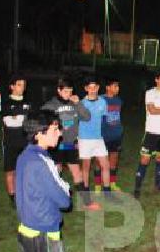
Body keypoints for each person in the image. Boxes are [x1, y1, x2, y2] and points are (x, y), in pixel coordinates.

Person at [16, 111, 76, 252]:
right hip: (44, 235)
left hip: (26, 230)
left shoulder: (25, 155)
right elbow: (63, 200)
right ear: (39, 134)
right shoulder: (42, 161)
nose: (59, 134)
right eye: (54, 129)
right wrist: (66, 189)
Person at [42, 77, 92, 207]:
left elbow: (87, 117)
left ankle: (87, 202)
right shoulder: (51, 105)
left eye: (70, 91)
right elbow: (41, 118)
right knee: (56, 171)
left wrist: (78, 103)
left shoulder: (74, 103)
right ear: (59, 90)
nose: (68, 94)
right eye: (65, 91)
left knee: (76, 171)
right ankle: (51, 199)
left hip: (70, 143)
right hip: (56, 144)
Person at [134, 70, 160, 198]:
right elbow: (151, 110)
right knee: (145, 159)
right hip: (152, 132)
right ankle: (137, 187)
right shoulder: (150, 93)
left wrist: (159, 109)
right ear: (156, 80)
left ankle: (157, 185)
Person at [77, 76, 110, 206]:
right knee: (86, 167)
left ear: (98, 88)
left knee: (105, 165)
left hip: (98, 139)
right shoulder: (81, 103)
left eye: (94, 87)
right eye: (89, 87)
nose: (92, 90)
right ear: (86, 89)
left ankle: (107, 194)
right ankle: (86, 195)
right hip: (84, 139)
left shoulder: (102, 102)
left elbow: (103, 119)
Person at [2, 73, 32, 207]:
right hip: (10, 142)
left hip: (25, 141)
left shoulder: (28, 103)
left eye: (24, 85)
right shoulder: (6, 103)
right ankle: (12, 196)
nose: (22, 88)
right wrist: (21, 118)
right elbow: (9, 122)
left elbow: (29, 122)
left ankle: (23, 194)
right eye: (19, 85)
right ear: (12, 86)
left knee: (25, 169)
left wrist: (18, 118)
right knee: (10, 170)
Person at [99, 78, 123, 191]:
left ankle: (112, 183)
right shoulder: (100, 100)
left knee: (114, 160)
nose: (117, 88)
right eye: (114, 86)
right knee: (100, 162)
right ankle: (98, 184)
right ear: (108, 87)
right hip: (103, 135)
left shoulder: (118, 100)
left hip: (116, 135)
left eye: (118, 86)